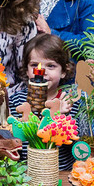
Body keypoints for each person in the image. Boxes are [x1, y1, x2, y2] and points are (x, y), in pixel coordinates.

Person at [8, 34, 81, 170]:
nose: (41, 71)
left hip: (61, 172)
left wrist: (60, 117)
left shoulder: (70, 102)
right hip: (26, 172)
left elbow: (76, 142)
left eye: (51, 66)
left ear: (64, 71)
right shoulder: (17, 101)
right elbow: (15, 140)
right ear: (27, 70)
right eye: (34, 65)